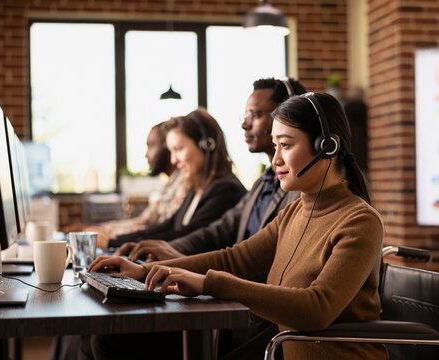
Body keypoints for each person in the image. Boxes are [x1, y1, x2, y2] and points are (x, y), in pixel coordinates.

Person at [89, 92, 387, 360]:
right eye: (274, 146)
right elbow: (233, 258)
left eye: (286, 145)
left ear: (327, 146)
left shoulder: (360, 221)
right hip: (279, 349)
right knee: (107, 342)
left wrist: (210, 283)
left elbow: (317, 308)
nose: (276, 160)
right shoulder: (294, 211)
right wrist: (147, 270)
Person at [116, 78, 306, 263]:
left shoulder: (298, 190)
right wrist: (166, 252)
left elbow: (253, 262)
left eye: (255, 115)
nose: (244, 124)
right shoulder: (263, 182)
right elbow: (218, 231)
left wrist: (184, 265)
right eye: (245, 116)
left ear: (288, 116)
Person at [103, 108, 247, 250]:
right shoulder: (195, 189)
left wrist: (113, 243)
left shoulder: (226, 189)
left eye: (178, 149)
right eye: (171, 152)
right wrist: (115, 240)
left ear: (206, 145)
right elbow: (166, 226)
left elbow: (186, 235)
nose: (173, 160)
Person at [62, 122, 186, 240]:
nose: (146, 154)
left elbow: (157, 229)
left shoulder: (184, 182)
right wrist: (96, 229)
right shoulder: (169, 184)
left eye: (151, 145)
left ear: (167, 149)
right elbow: (142, 221)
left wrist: (99, 234)